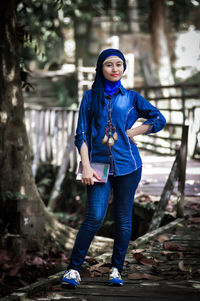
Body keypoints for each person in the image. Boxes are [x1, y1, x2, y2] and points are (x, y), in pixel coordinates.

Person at [61, 48, 166, 288]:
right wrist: (85, 166)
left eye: (119, 64)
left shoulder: (131, 98)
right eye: (109, 64)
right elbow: (82, 134)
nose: (115, 69)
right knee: (94, 217)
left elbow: (158, 118)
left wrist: (135, 131)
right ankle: (73, 270)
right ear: (101, 68)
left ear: (124, 68)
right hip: (97, 166)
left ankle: (116, 269)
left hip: (129, 166)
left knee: (123, 219)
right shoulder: (89, 97)